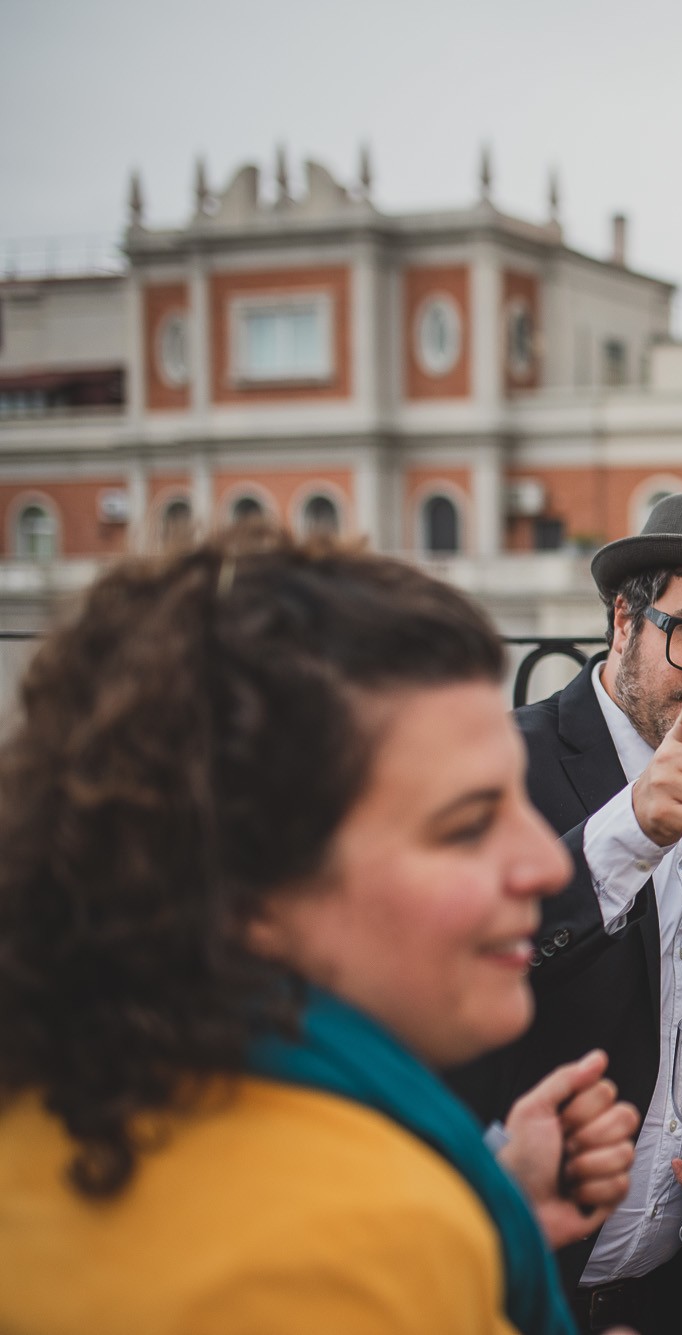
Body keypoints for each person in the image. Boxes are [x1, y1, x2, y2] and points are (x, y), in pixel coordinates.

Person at [0, 527, 640, 1335]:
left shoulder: (59, 1096)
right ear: (245, 892)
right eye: (468, 824)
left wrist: (494, 1198)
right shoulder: (358, 1245)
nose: (546, 867)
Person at [448, 491, 682, 1334]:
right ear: (624, 620)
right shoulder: (501, 761)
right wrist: (628, 831)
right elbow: (448, 975)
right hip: (512, 1283)